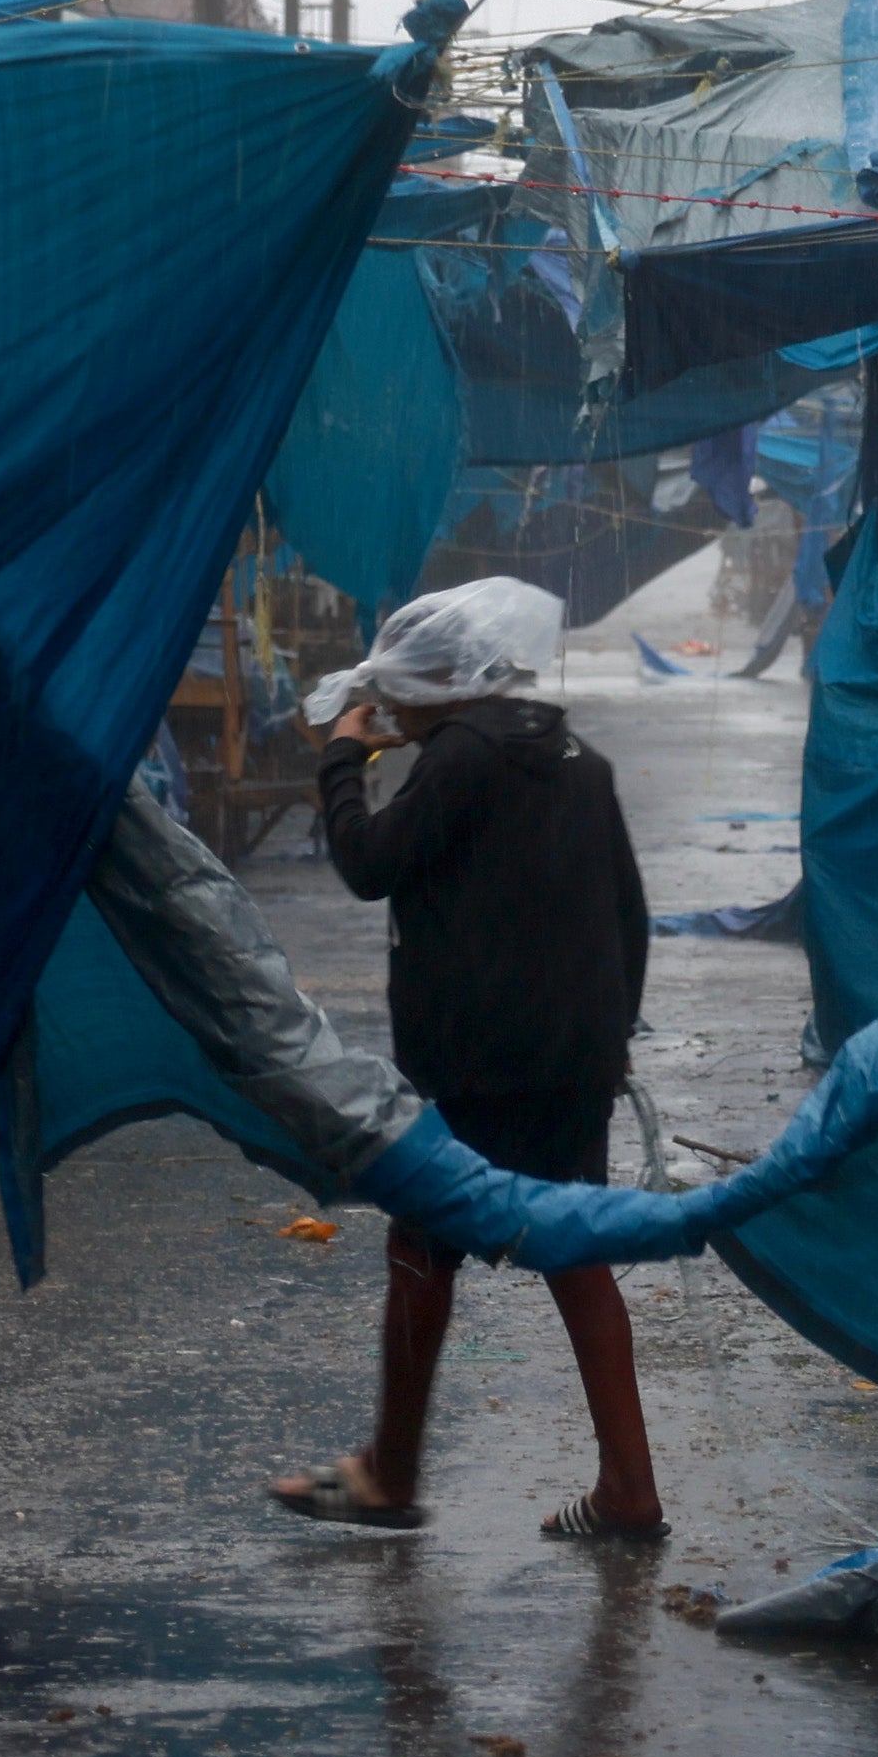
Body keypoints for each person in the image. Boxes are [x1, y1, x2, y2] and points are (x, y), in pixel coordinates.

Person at [267, 579, 663, 1544]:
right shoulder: (578, 759)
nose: (391, 705)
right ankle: (629, 1487)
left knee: (420, 1247)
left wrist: (343, 763)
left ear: (442, 685)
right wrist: (609, 1042)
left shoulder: (459, 762)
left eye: (400, 690)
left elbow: (367, 864)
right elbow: (630, 917)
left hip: (476, 1062)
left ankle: (390, 1476)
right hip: (571, 1060)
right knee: (577, 1257)